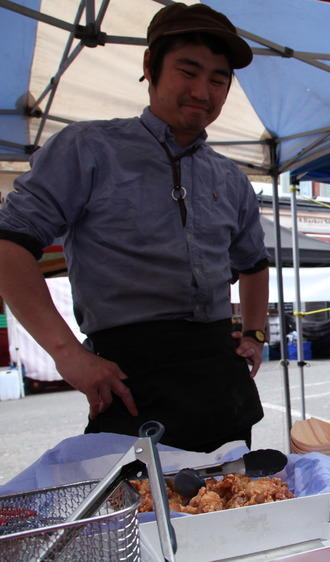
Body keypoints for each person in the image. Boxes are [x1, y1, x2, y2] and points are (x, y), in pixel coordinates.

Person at [0, 3, 269, 452]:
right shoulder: (88, 148)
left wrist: (255, 334)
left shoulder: (231, 178)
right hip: (129, 372)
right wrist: (68, 355)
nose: (203, 91)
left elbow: (254, 264)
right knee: (136, 512)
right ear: (150, 67)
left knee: (232, 502)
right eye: (188, 70)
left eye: (218, 79)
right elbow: (10, 244)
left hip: (219, 374)